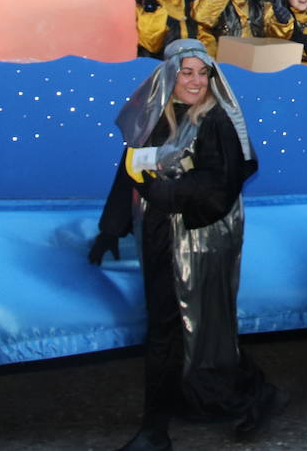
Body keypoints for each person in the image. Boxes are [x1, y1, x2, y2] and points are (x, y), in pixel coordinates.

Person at [89, 38, 284, 450]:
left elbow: (223, 179)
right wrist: (111, 227)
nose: (195, 81)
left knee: (203, 324)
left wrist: (168, 195)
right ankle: (161, 424)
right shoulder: (152, 116)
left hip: (204, 237)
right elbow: (130, 170)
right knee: (168, 326)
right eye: (186, 72)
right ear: (169, 74)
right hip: (160, 235)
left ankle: (242, 398)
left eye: (203, 72)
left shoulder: (218, 119)